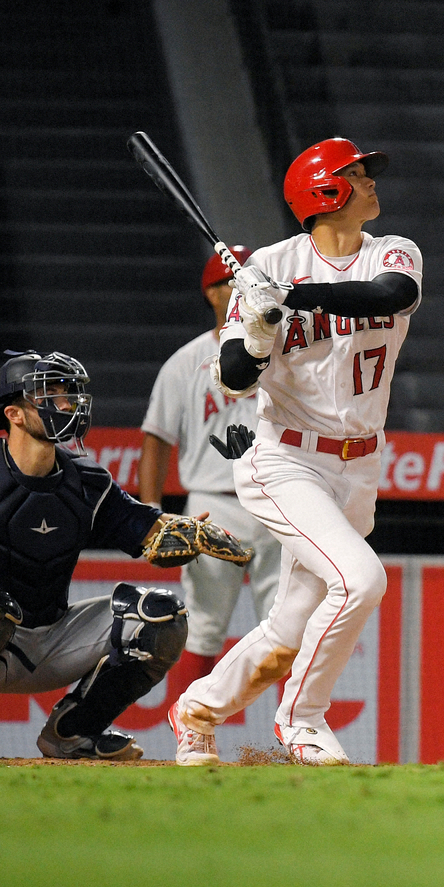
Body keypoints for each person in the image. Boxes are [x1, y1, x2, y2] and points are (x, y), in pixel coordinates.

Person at [168, 136, 423, 765]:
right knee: (362, 579)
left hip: (359, 464)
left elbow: (392, 295)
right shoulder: (267, 271)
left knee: (289, 629)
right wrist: (255, 329)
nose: (371, 183)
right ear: (327, 192)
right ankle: (302, 720)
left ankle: (196, 708)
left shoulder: (393, 251)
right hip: (285, 457)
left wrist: (296, 297)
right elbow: (231, 378)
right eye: (358, 175)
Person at [0, 349, 196, 760]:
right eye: (50, 393)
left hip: (55, 638)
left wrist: (184, 534)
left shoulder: (88, 480)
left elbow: (146, 531)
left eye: (69, 393)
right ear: (15, 414)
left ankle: (73, 733)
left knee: (162, 618)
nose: (67, 403)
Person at [138, 247, 282, 693]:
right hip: (212, 508)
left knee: (288, 630)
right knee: (201, 629)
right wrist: (150, 511)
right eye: (231, 282)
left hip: (278, 500)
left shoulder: (283, 353)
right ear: (213, 292)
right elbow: (156, 438)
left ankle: (296, 737)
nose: (241, 290)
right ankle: (188, 734)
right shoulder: (186, 361)